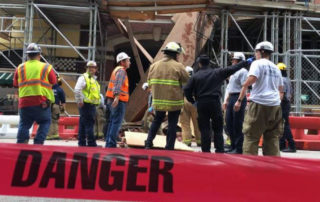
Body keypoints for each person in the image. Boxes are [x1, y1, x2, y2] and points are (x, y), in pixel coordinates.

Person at [184, 54, 251, 153]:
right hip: (214, 102)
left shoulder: (196, 76)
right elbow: (233, 68)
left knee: (205, 128)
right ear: (209, 63)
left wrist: (193, 101)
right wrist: (245, 62)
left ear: (199, 64)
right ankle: (219, 149)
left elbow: (186, 89)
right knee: (218, 128)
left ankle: (205, 150)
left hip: (202, 103)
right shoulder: (217, 72)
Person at [234, 41, 284, 156]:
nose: (255, 54)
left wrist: (241, 94)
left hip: (259, 104)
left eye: (256, 51)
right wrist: (276, 101)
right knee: (272, 138)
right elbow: (281, 89)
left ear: (261, 51)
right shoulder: (275, 67)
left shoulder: (257, 64)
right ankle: (272, 167)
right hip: (275, 105)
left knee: (251, 136)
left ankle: (250, 167)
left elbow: (252, 79)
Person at [145, 42, 189, 150]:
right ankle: (169, 146)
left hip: (158, 101)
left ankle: (148, 143)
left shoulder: (154, 66)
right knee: (172, 123)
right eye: (178, 54)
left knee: (156, 121)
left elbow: (149, 83)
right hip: (174, 101)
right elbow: (187, 81)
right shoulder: (178, 66)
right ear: (174, 54)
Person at [13, 43, 56, 144]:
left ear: (28, 55)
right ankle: (38, 144)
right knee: (45, 121)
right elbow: (54, 82)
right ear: (39, 55)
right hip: (41, 102)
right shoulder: (46, 67)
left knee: (24, 124)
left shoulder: (20, 67)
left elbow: (15, 84)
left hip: (24, 102)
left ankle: (21, 145)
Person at [223, 52, 248, 154]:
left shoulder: (243, 71)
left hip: (238, 97)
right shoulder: (233, 72)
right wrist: (226, 100)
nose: (233, 61)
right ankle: (232, 145)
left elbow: (244, 87)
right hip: (232, 97)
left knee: (237, 124)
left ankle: (238, 148)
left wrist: (239, 101)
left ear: (239, 61)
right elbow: (230, 88)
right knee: (229, 123)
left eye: (235, 60)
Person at [105, 52, 131, 148]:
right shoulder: (121, 71)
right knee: (116, 123)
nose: (129, 62)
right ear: (122, 62)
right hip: (118, 101)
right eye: (128, 60)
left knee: (112, 122)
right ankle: (111, 144)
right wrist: (116, 97)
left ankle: (109, 143)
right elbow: (118, 85)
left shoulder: (117, 70)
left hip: (112, 100)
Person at [74, 60, 100, 147]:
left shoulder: (92, 79)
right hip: (86, 105)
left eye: (93, 67)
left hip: (89, 105)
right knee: (89, 125)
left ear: (96, 69)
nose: (92, 69)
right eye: (90, 67)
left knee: (83, 124)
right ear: (87, 68)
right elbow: (77, 90)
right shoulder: (84, 78)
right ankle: (91, 143)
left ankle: (81, 143)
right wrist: (80, 101)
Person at [277, 62, 296, 153]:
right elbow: (291, 93)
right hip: (286, 103)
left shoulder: (281, 80)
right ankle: (282, 145)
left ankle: (291, 145)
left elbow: (281, 93)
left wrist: (277, 104)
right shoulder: (287, 79)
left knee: (284, 125)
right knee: (283, 124)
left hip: (282, 103)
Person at [180, 66, 201, 146]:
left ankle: (187, 141)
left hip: (184, 100)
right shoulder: (197, 80)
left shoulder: (182, 80)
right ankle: (200, 141)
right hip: (195, 101)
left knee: (185, 123)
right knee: (197, 122)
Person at [47, 76, 66, 140]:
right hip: (56, 106)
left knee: (48, 120)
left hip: (48, 105)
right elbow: (63, 101)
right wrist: (63, 108)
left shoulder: (48, 88)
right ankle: (55, 134)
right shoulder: (60, 89)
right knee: (55, 121)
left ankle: (49, 135)